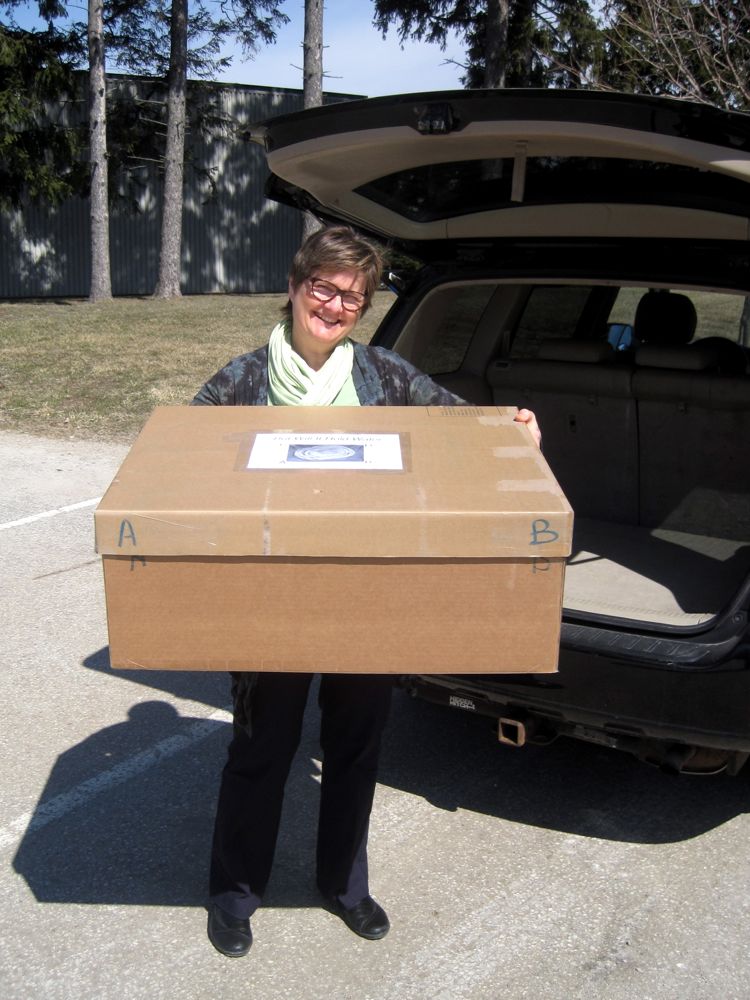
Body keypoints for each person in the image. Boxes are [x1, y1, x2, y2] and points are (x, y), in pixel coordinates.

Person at [192, 225, 541, 958]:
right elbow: (180, 461)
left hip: (369, 592)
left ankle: (343, 886)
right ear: (295, 286)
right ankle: (235, 893)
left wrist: (510, 427)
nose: (335, 305)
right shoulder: (241, 383)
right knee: (262, 746)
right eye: (323, 287)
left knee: (356, 745)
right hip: (272, 594)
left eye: (352, 296)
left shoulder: (384, 375)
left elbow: (455, 425)